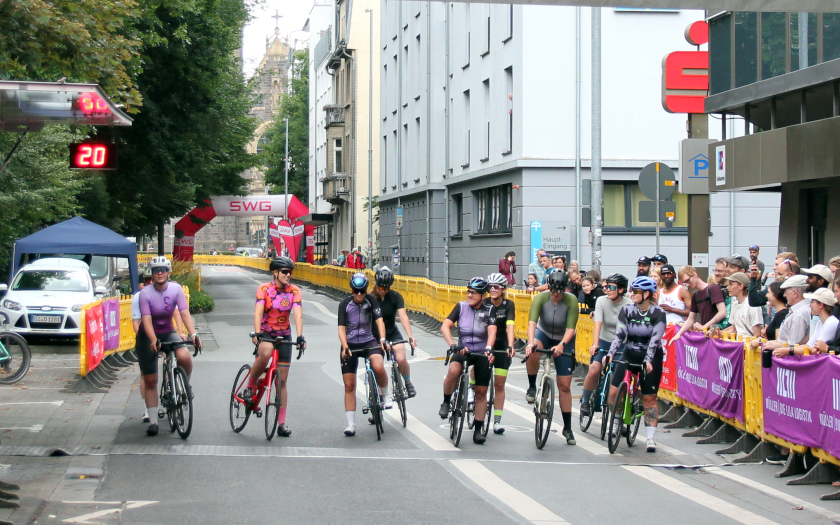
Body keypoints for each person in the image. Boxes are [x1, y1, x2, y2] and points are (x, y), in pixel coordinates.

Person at [137, 256, 201, 436]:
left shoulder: (176, 289)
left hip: (168, 331)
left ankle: (183, 387)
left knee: (184, 356)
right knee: (151, 380)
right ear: (152, 272)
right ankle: (153, 421)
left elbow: (184, 313)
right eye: (156, 270)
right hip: (147, 335)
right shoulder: (146, 293)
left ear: (169, 273)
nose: (160, 273)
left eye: (163, 270)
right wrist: (152, 340)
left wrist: (193, 334)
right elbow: (146, 320)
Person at [243, 256, 305, 437]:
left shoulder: (294, 291)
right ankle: (250, 385)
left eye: (290, 272)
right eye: (285, 272)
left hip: (284, 334)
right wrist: (257, 332)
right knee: (266, 352)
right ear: (275, 273)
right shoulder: (264, 289)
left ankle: (282, 423)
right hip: (266, 332)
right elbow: (258, 311)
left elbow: (298, 315)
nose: (288, 275)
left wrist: (300, 336)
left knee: (282, 381)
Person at [604, 276, 666, 453]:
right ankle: (616, 423)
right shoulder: (627, 310)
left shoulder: (658, 313)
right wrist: (610, 354)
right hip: (630, 352)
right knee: (614, 392)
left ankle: (650, 437)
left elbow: (655, 340)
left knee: (649, 398)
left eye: (636, 292)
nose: (632, 294)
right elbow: (619, 335)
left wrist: (647, 360)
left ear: (647, 294)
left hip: (650, 355)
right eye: (632, 290)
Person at [439, 277, 498, 444]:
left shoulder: (489, 309)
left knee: (481, 392)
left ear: (482, 295)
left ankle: (478, 430)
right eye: (468, 292)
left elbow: (492, 332)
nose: (470, 295)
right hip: (462, 348)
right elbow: (445, 326)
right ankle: (446, 401)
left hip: (481, 352)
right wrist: (452, 344)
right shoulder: (461, 307)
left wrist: (488, 348)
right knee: (453, 371)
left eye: (474, 293)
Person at [524, 270, 579, 445]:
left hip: (564, 337)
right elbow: (532, 323)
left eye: (559, 291)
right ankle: (532, 387)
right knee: (534, 349)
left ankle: (567, 428)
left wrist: (562, 345)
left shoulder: (571, 300)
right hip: (545, 333)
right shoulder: (541, 298)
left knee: (564, 386)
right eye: (553, 290)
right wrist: (530, 342)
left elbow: (571, 328)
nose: (556, 295)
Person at [338, 273, 388, 437]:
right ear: (351, 290)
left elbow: (379, 321)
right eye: (355, 291)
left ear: (366, 290)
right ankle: (351, 424)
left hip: (368, 341)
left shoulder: (371, 300)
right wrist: (345, 347)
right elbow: (341, 328)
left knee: (378, 366)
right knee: (349, 385)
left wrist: (382, 339)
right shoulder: (344, 304)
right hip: (350, 344)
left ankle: (384, 397)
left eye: (362, 291)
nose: (359, 294)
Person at [580, 273, 630, 417]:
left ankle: (620, 413)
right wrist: (595, 345)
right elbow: (598, 324)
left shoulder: (628, 304)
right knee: (594, 369)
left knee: (619, 378)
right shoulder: (601, 301)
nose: (607, 289)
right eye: (606, 286)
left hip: (621, 343)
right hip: (604, 340)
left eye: (611, 287)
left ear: (621, 290)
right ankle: (585, 399)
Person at [373, 267, 418, 398]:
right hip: (375, 335)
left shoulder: (395, 296)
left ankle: (408, 382)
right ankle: (380, 400)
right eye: (381, 288)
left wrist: (410, 336)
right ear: (376, 285)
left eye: (386, 289)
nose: (383, 291)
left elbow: (403, 317)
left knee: (401, 358)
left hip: (392, 332)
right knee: (378, 366)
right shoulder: (370, 298)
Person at [484, 273, 517, 434]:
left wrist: (511, 345)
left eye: (496, 287)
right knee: (477, 372)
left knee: (499, 384)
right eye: (490, 287)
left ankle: (497, 421)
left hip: (502, 343)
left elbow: (510, 325)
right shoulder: (483, 303)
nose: (493, 290)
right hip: (485, 342)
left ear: (503, 289)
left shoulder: (508, 304)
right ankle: (470, 388)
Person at [668, 265, 727, 344]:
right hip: (707, 336)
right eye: (685, 283)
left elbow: (722, 313)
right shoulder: (696, 295)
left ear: (694, 274)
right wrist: (679, 334)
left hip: (718, 335)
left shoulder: (713, 288)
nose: (687, 284)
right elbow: (691, 319)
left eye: (688, 280)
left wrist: (704, 327)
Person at [763, 275, 811, 353]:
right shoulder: (798, 311)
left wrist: (777, 345)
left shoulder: (800, 313)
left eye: (786, 292)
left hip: (792, 360)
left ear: (795, 293)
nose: (784, 295)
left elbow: (795, 344)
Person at [793, 288, 839, 354]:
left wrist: (789, 351)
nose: (810, 305)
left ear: (821, 305)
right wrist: (789, 349)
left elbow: (815, 349)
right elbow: (809, 345)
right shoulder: (820, 323)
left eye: (812, 302)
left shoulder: (831, 323)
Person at [723, 272, 763, 338]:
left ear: (741, 286)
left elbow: (757, 334)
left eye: (731, 284)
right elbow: (734, 330)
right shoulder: (735, 303)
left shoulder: (753, 306)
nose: (727, 287)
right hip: (738, 345)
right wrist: (719, 334)